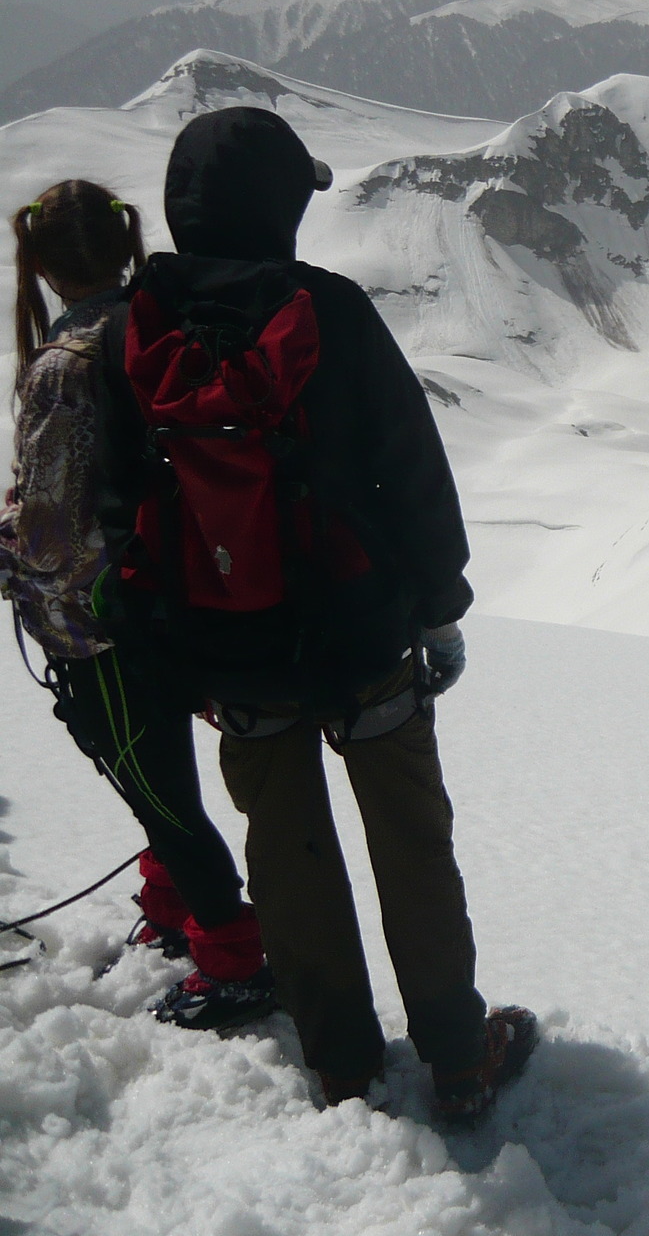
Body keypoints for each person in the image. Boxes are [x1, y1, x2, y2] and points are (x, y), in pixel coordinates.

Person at [98, 106, 535, 1122]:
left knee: (284, 851)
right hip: (359, 633)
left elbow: (122, 510)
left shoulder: (136, 329)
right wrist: (437, 609)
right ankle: (459, 1057)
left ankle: (340, 1058)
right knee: (410, 842)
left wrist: (178, 649)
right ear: (281, 206)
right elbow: (408, 471)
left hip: (229, 648)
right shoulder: (325, 311)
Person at [0, 180, 276, 1030]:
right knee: (162, 776)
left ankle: (231, 955)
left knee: (157, 792)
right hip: (185, 600)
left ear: (40, 267)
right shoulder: (160, 329)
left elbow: (48, 537)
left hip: (98, 627)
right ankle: (172, 912)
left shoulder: (59, 368)